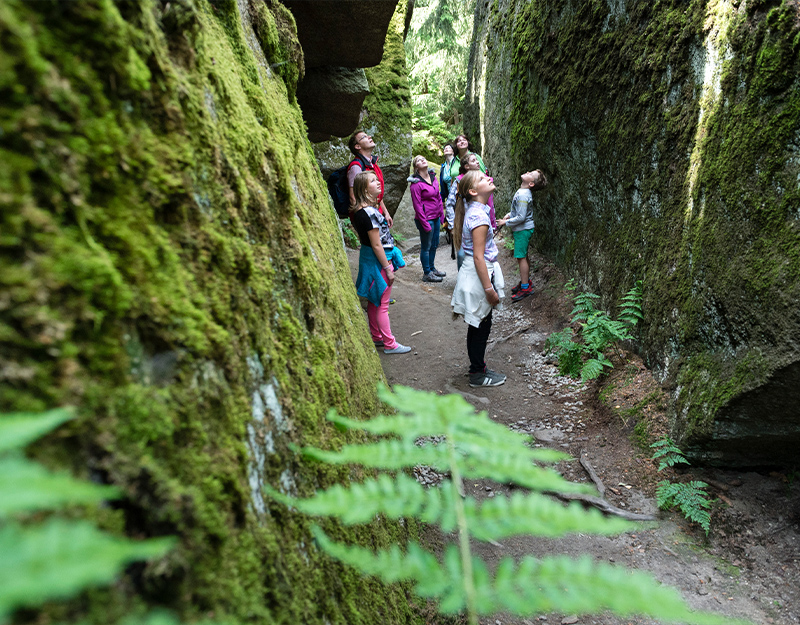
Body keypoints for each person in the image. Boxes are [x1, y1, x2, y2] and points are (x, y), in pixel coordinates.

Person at [450, 171, 506, 387]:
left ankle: (478, 369)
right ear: (473, 191)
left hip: (474, 273)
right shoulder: (479, 216)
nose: (489, 178)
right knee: (480, 325)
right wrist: (489, 288)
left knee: (478, 324)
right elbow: (478, 256)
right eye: (482, 179)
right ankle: (477, 374)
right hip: (478, 275)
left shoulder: (476, 211)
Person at [349, 171, 410, 354]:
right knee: (382, 303)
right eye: (373, 181)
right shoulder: (369, 213)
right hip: (378, 260)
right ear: (364, 188)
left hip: (369, 258)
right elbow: (377, 245)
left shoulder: (361, 211)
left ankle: (377, 337)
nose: (378, 182)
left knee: (375, 301)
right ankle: (390, 344)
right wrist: (387, 268)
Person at [497, 169, 549, 302]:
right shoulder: (523, 192)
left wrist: (505, 222)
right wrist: (509, 214)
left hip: (522, 230)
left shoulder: (524, 195)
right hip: (522, 229)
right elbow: (518, 210)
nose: (527, 171)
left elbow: (521, 217)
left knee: (521, 258)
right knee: (523, 256)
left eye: (531, 174)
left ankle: (525, 287)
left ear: (531, 183)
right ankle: (525, 282)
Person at [444, 153, 497, 269]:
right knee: (463, 253)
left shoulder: (484, 179)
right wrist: (452, 225)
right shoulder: (459, 181)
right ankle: (464, 277)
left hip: (482, 219)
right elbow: (450, 203)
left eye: (477, 160)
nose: (477, 162)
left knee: (483, 250)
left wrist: (493, 223)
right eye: (473, 160)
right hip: (463, 221)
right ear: (466, 166)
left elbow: (490, 203)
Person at [408, 155, 446, 283]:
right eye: (419, 160)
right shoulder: (415, 184)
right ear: (416, 167)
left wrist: (442, 215)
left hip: (435, 216)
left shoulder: (433, 177)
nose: (423, 160)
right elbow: (417, 205)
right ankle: (427, 273)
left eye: (423, 158)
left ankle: (432, 268)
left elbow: (438, 197)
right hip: (425, 218)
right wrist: (424, 223)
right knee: (426, 246)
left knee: (435, 244)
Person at [347, 130, 393, 227]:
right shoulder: (356, 167)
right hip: (368, 218)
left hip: (376, 213)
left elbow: (377, 194)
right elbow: (353, 197)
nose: (369, 137)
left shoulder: (372, 164)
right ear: (357, 146)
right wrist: (367, 220)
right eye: (364, 137)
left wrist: (386, 213)